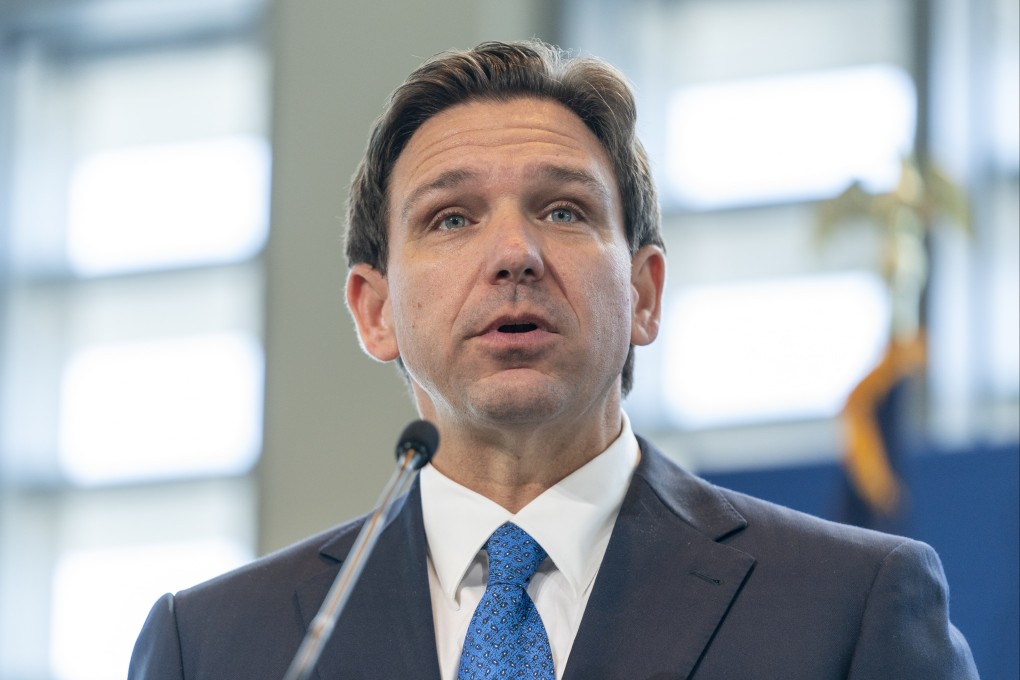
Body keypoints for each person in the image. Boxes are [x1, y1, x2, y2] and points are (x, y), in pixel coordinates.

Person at [128, 40, 978, 680]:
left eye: (565, 211)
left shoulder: (846, 605)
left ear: (644, 293)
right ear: (375, 310)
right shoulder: (213, 645)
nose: (516, 253)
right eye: (452, 219)